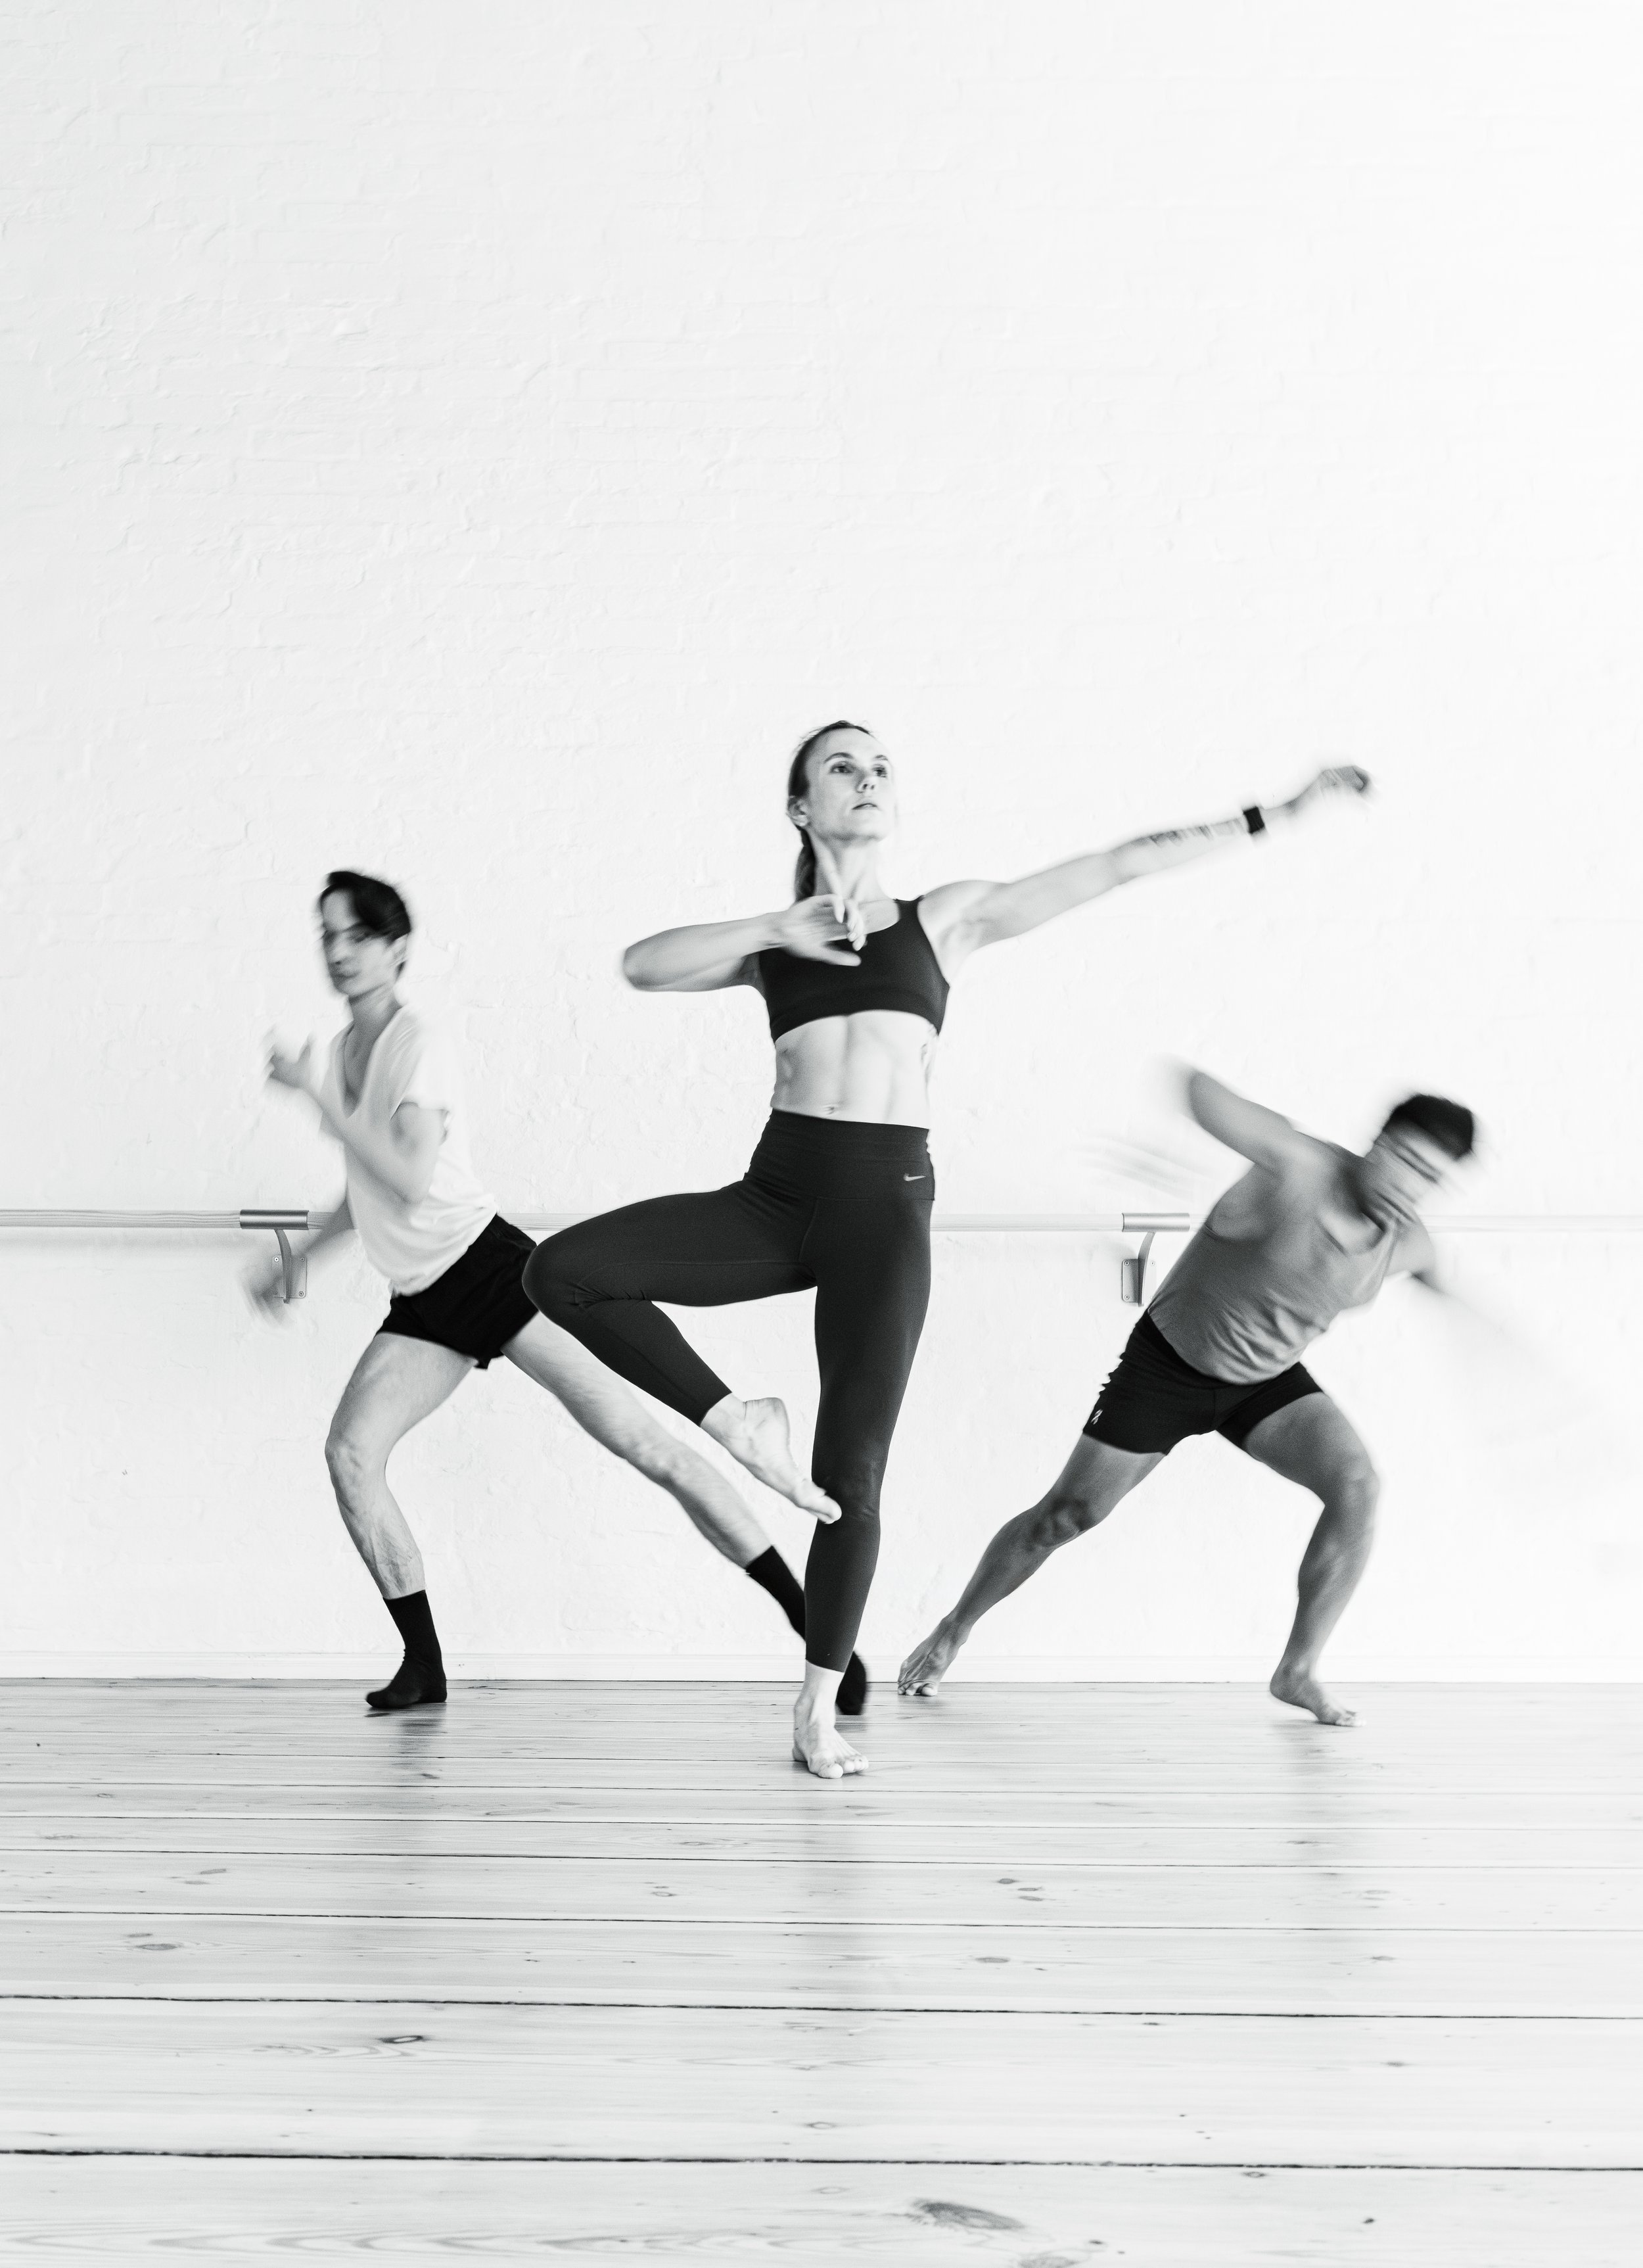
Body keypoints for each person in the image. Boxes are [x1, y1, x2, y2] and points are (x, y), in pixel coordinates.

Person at [524, 725, 1370, 1776]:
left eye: (880, 767)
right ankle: (734, 1416)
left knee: (853, 1475)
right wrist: (774, 923)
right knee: (558, 1270)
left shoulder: (945, 918)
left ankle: (814, 1708)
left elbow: (1113, 867)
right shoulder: (769, 944)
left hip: (885, 1207)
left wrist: (1270, 816)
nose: (867, 779)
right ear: (801, 807)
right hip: (776, 1195)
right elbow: (640, 966)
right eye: (842, 766)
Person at [248, 869, 864, 1712]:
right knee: (351, 1456)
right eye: (328, 935)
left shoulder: (411, 1043)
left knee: (652, 1450)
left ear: (397, 951)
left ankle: (816, 1631)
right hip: (425, 1297)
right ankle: (423, 1665)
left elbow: (410, 1172)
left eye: (357, 936)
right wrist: (301, 1262)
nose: (340, 952)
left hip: (493, 1270)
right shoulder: (349, 1050)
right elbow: (367, 1187)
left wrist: (315, 1094)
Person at [898, 1067, 1476, 1726]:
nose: (1408, 1185)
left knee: (1357, 1485)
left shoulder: (1409, 1242)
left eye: (1428, 1177)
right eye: (1402, 1160)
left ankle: (1297, 1672)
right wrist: (1259, 1140)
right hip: (1170, 1366)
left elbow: (1429, 1271)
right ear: (1374, 1145)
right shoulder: (1298, 1170)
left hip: (1264, 1383)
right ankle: (952, 1629)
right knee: (1066, 1516)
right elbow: (1197, 1090)